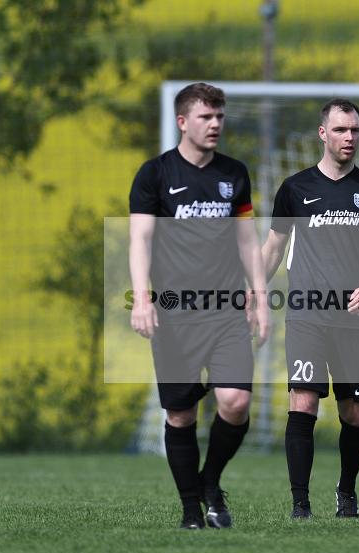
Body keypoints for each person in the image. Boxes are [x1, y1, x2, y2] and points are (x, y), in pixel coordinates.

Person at [129, 82, 269, 529]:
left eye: (220, 117)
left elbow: (247, 240)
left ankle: (210, 481)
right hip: (173, 313)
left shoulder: (234, 173)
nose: (215, 125)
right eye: (206, 117)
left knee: (235, 402)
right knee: (181, 413)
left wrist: (260, 297)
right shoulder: (154, 175)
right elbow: (140, 240)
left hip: (226, 310)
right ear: (182, 121)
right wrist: (142, 298)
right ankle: (192, 508)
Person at [261, 99, 359, 519]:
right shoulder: (295, 189)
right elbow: (272, 248)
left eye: (355, 130)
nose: (349, 138)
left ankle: (347, 491)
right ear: (323, 134)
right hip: (305, 316)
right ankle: (300, 504)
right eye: (340, 130)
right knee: (303, 402)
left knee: (354, 412)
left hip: (354, 320)